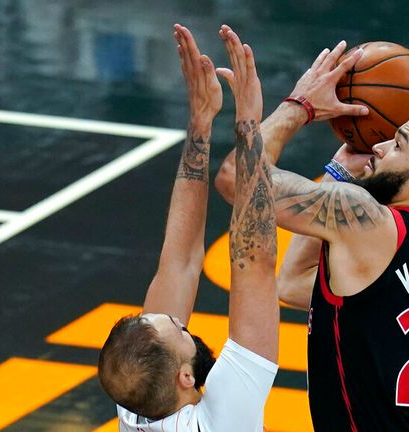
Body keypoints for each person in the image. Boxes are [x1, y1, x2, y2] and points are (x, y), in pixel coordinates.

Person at [215, 28, 409, 431]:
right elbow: (292, 284)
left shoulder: (367, 220)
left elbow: (236, 180)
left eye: (397, 144)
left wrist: (299, 106)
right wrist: (340, 173)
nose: (378, 147)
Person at [97, 24, 279, 431]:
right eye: (179, 328)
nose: (180, 320)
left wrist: (201, 124)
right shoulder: (224, 420)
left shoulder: (140, 396)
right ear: (184, 378)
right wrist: (249, 124)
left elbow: (179, 261)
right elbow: (256, 260)